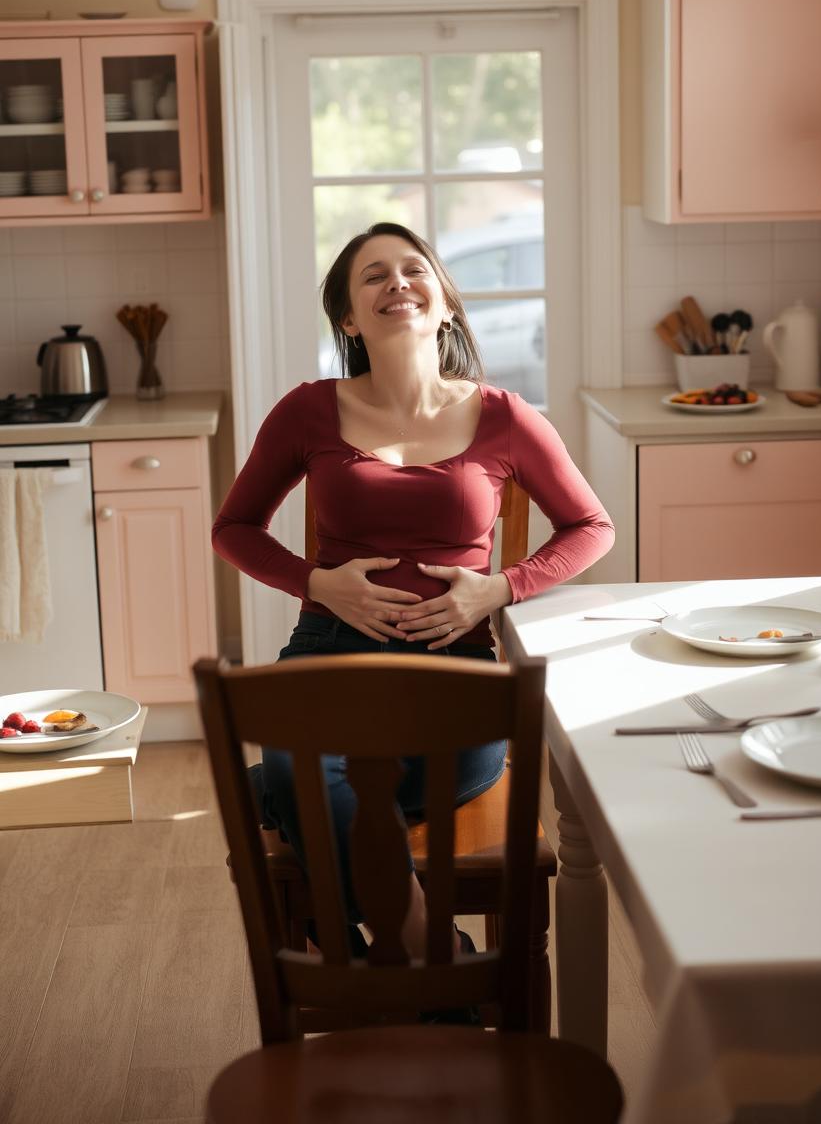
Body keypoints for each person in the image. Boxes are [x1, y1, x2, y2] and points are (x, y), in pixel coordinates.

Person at [212, 220, 614, 967]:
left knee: (296, 784)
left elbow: (591, 526)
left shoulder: (505, 416)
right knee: (310, 770)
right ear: (348, 319)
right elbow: (233, 527)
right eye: (373, 276)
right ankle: (431, 950)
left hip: (455, 669)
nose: (397, 282)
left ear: (446, 303)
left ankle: (334, 918)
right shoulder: (308, 410)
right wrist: (316, 582)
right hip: (328, 656)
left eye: (412, 269)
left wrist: (497, 590)